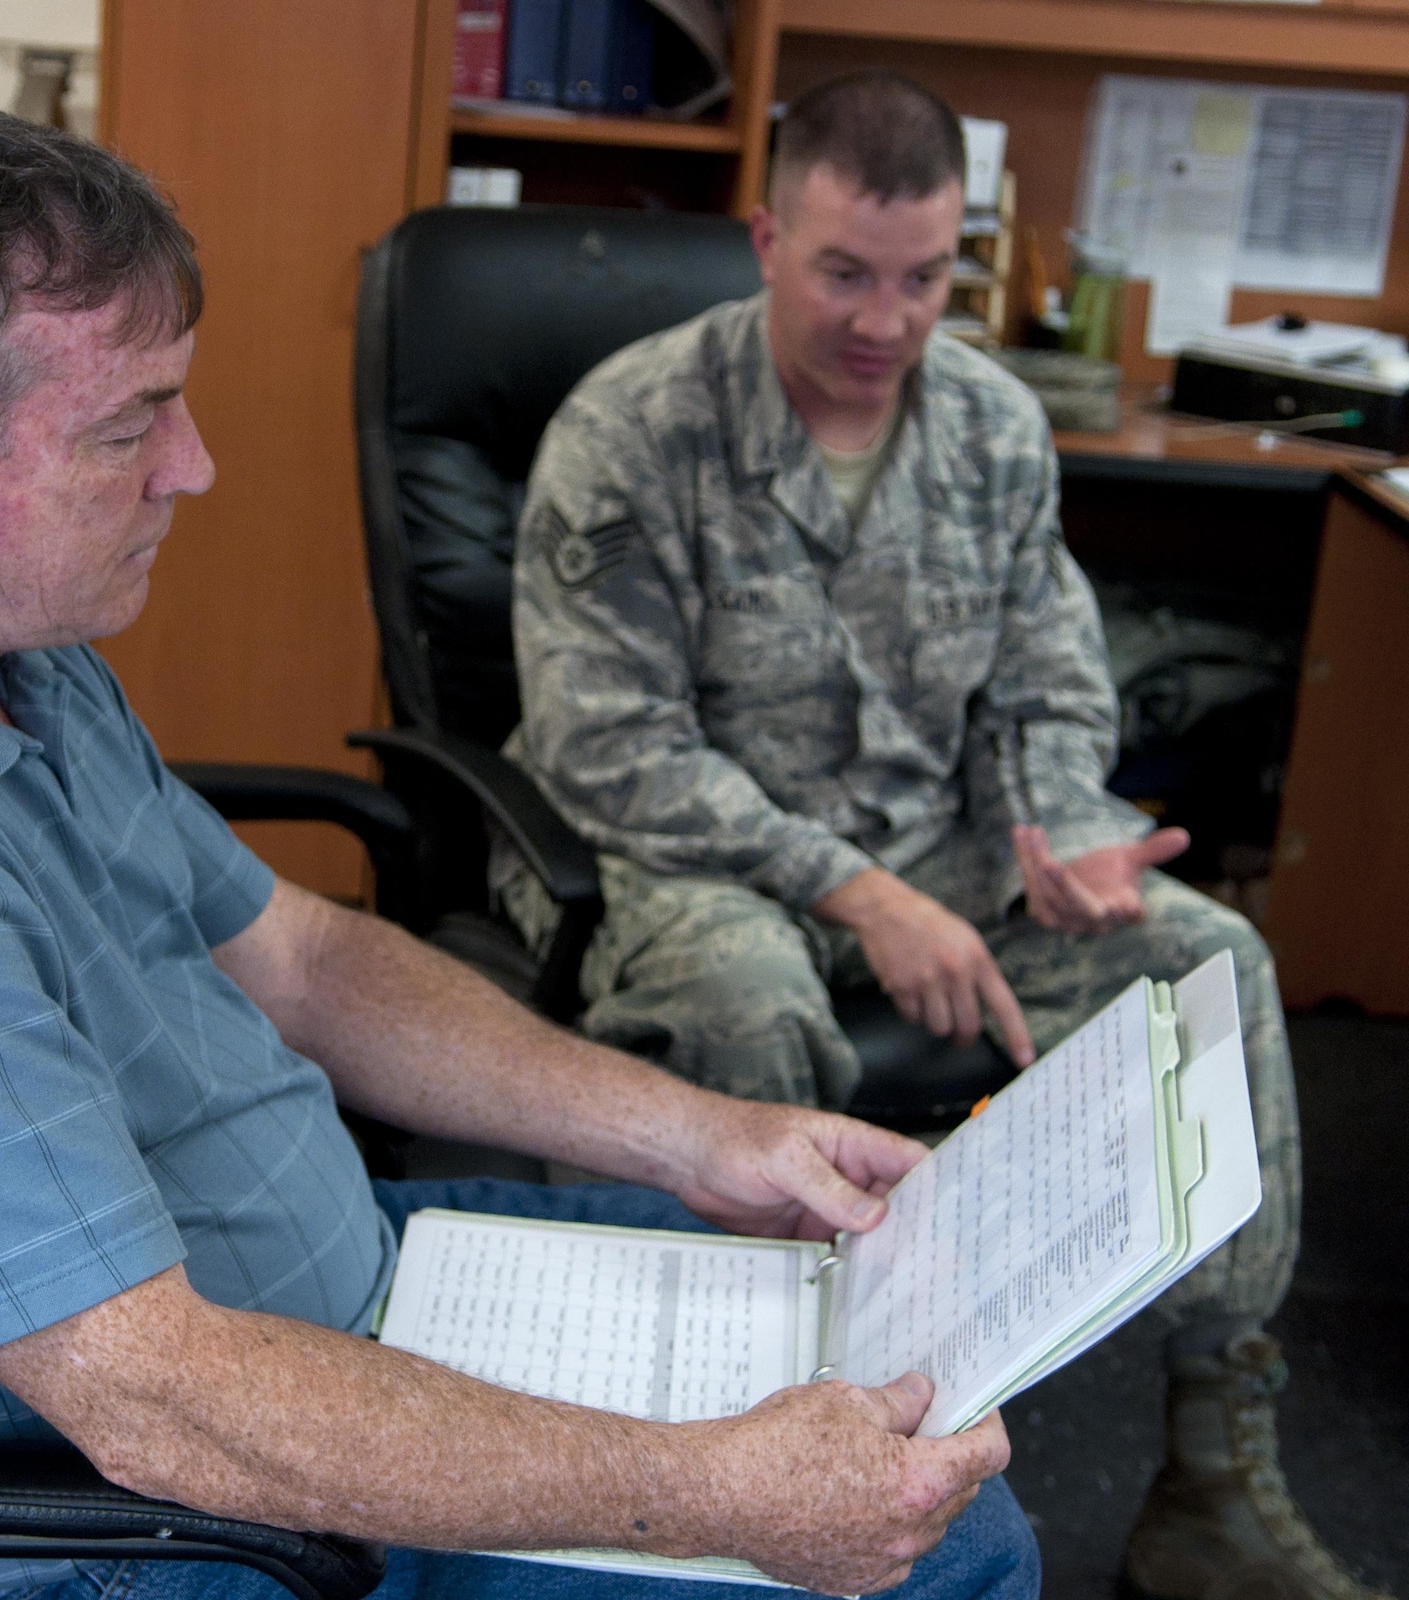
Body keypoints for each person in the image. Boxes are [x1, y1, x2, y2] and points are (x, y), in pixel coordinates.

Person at [0, 99, 1038, 1600]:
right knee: (950, 1549)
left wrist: (699, 1134)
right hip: (160, 1525)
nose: (194, 468)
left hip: (328, 1293)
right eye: (129, 426)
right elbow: (157, 1397)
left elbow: (300, 960)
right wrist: (718, 1494)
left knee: (864, 1327)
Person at [503, 67, 1375, 1600]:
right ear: (767, 235)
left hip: (949, 854)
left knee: (1209, 963)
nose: (886, 323)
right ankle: (768, 1474)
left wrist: (1055, 825)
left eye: (923, 279)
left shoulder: (991, 424)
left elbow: (1048, 676)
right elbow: (607, 747)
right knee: (747, 1008)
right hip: (701, 859)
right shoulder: (633, 428)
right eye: (844, 272)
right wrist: (856, 896)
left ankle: (1213, 1468)